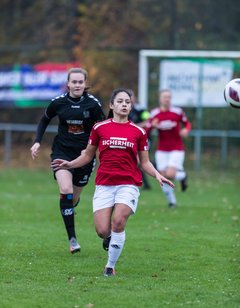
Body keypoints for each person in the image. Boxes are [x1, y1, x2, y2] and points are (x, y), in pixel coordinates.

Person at [51, 88, 174, 276]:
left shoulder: (138, 132)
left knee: (118, 221)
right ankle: (112, 240)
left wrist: (157, 174)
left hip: (128, 184)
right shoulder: (99, 128)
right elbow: (88, 155)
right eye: (120, 101)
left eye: (127, 102)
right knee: (102, 230)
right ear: (112, 105)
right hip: (104, 185)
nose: (124, 105)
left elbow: (145, 162)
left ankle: (110, 266)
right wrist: (70, 164)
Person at [30, 67, 105, 254]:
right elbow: (43, 121)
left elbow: (102, 128)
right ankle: (72, 239)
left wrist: (94, 149)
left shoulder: (93, 105)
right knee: (66, 189)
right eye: (74, 82)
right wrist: (37, 142)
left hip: (84, 155)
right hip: (61, 151)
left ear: (85, 84)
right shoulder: (58, 102)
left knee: (72, 199)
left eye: (81, 82)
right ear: (68, 83)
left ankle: (70, 205)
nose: (77, 85)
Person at [145, 89, 191, 208]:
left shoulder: (177, 112)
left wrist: (186, 129)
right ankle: (172, 202)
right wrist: (152, 126)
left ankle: (183, 176)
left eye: (169, 97)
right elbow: (146, 131)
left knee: (169, 174)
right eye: (165, 97)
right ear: (160, 99)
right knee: (162, 176)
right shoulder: (155, 113)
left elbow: (187, 124)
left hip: (176, 148)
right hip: (162, 150)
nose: (167, 99)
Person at [128, 90, 151, 190]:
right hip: (130, 140)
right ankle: (144, 183)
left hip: (142, 139)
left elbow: (148, 121)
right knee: (135, 162)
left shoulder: (140, 109)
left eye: (131, 96)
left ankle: (139, 182)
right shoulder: (124, 109)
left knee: (138, 161)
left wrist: (136, 127)